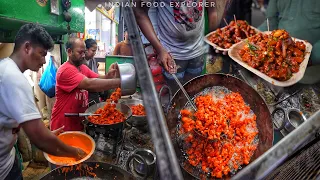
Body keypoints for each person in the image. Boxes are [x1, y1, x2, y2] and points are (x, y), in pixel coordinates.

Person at [0, 23, 86, 180]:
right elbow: (39, 139)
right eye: (41, 53)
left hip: (8, 159)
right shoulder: (13, 78)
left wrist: (47, 134)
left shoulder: (6, 68)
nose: (44, 61)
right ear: (27, 48)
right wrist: (74, 152)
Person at [133, 0, 227, 93]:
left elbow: (213, 11)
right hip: (171, 54)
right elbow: (139, 11)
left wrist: (212, 44)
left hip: (198, 51)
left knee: (193, 91)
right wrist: (160, 49)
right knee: (176, 93)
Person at [50, 38, 121, 132]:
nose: (83, 55)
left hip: (77, 121)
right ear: (69, 52)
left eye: (84, 52)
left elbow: (97, 79)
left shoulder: (82, 67)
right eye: (80, 52)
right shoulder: (65, 70)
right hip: (63, 125)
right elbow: (90, 84)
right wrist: (120, 82)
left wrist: (109, 75)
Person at [258, 0, 320, 82]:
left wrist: (311, 57)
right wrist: (256, 35)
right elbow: (271, 20)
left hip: (312, 72)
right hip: (275, 69)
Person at [84, 38, 100, 104]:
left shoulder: (93, 60)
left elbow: (95, 75)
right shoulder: (80, 62)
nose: (94, 53)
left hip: (93, 90)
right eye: (93, 51)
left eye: (95, 51)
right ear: (86, 49)